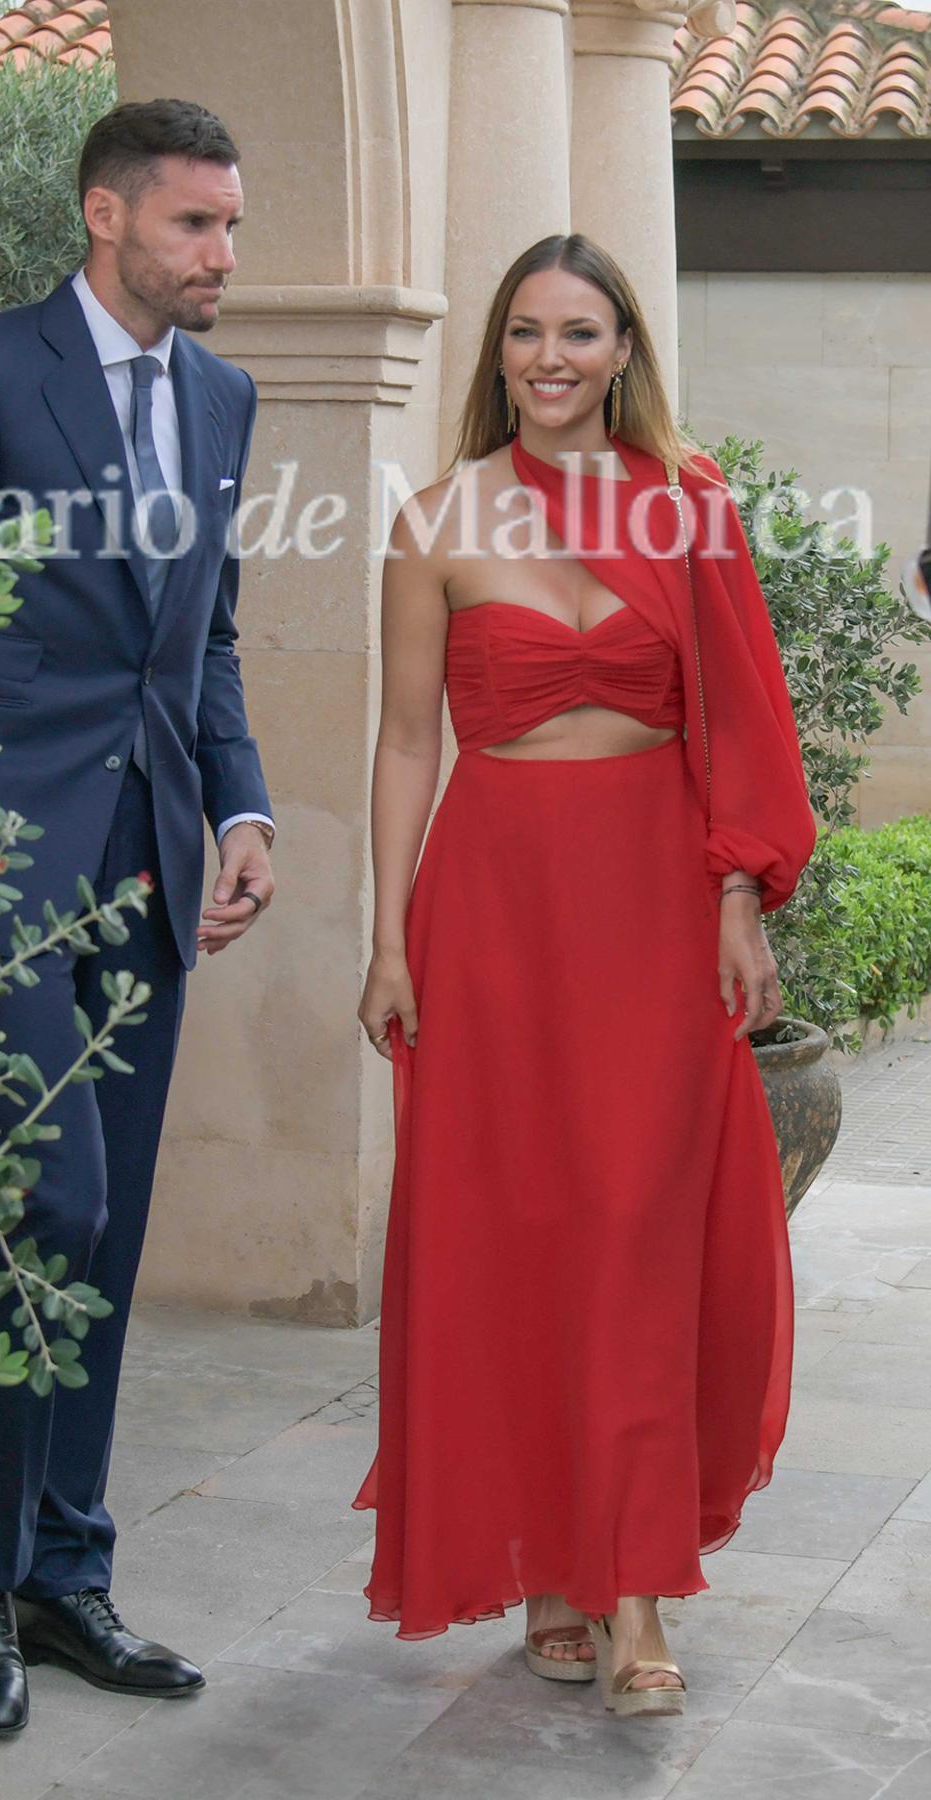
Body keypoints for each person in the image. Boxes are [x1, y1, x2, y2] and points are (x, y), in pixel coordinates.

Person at [355, 233, 816, 1719]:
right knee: (522, 1228)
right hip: (490, 914)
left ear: (626, 352)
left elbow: (741, 718)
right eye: (528, 334)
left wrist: (739, 895)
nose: (552, 360)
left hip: (649, 905)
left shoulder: (691, 510)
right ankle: (553, 1562)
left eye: (583, 333)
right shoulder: (433, 520)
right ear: (498, 353)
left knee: (633, 1228)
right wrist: (383, 938)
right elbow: (408, 740)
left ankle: (634, 1600)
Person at [0, 100, 275, 1736]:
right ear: (107, 218)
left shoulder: (225, 395)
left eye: (233, 229)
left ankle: (65, 1567)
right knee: (59, 1201)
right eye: (195, 228)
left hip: (153, 856)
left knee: (110, 1227)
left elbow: (207, 641)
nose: (222, 257)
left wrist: (238, 806)